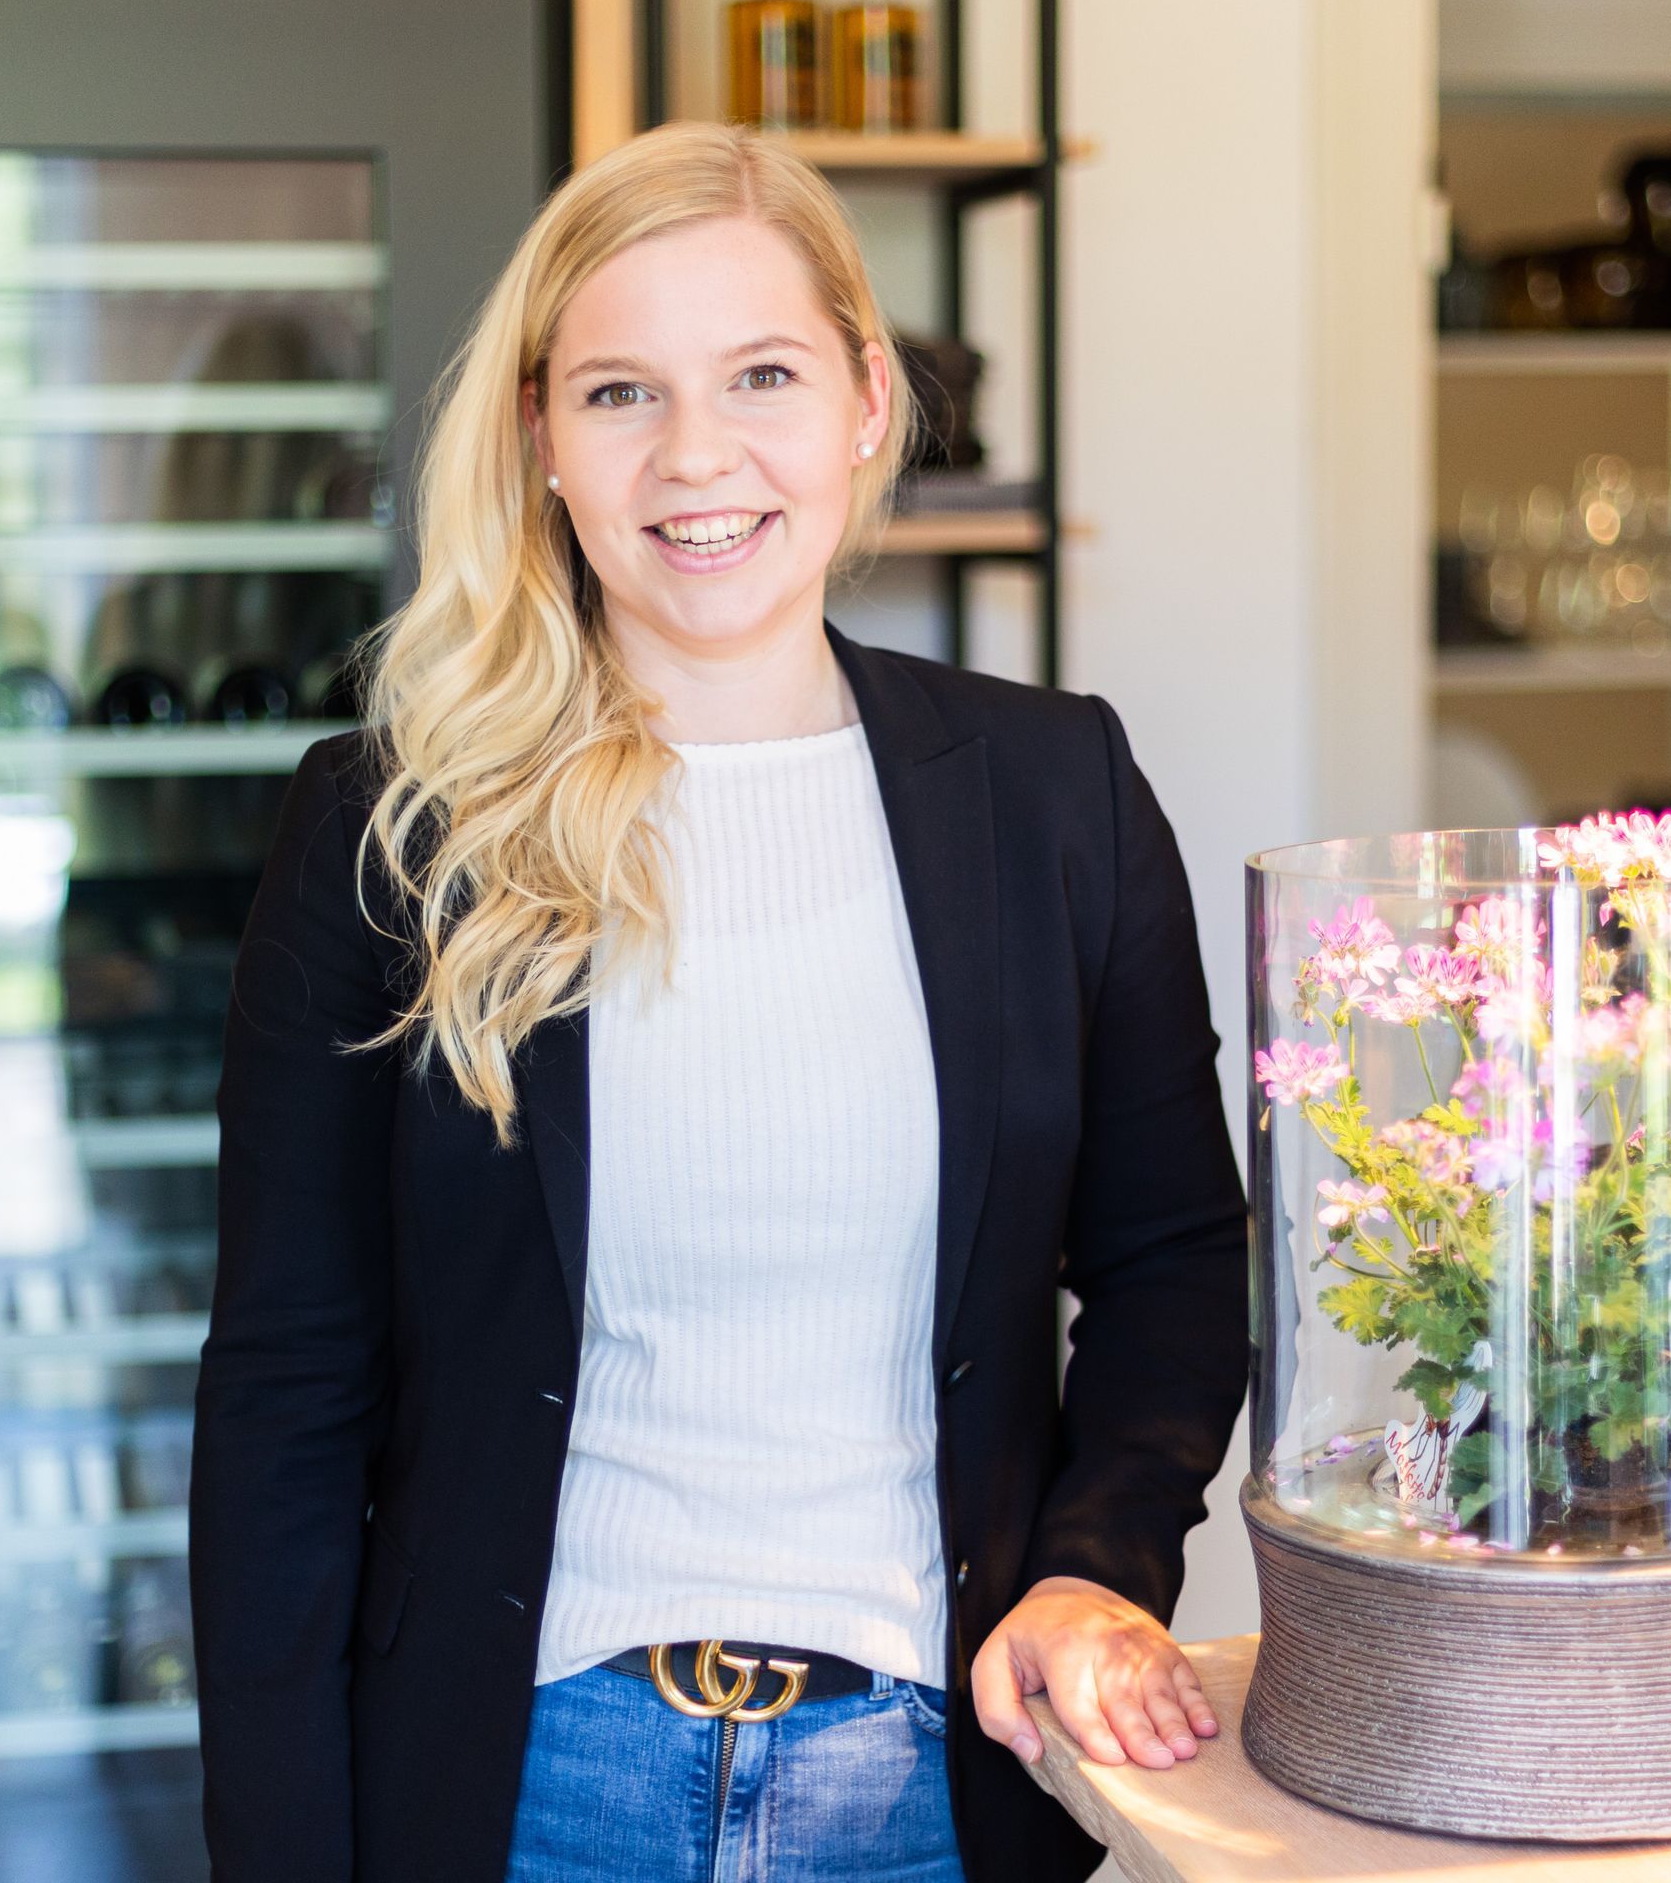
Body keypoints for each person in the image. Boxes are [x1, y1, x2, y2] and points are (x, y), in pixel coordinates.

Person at [188, 118, 1248, 1883]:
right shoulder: (394, 829)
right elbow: (284, 1395)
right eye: (621, 393)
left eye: (762, 374)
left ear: (865, 402)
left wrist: (1097, 1565)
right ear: (541, 435)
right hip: (525, 1788)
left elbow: (1174, 1262)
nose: (697, 455)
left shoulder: (1057, 795)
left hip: (938, 1783)